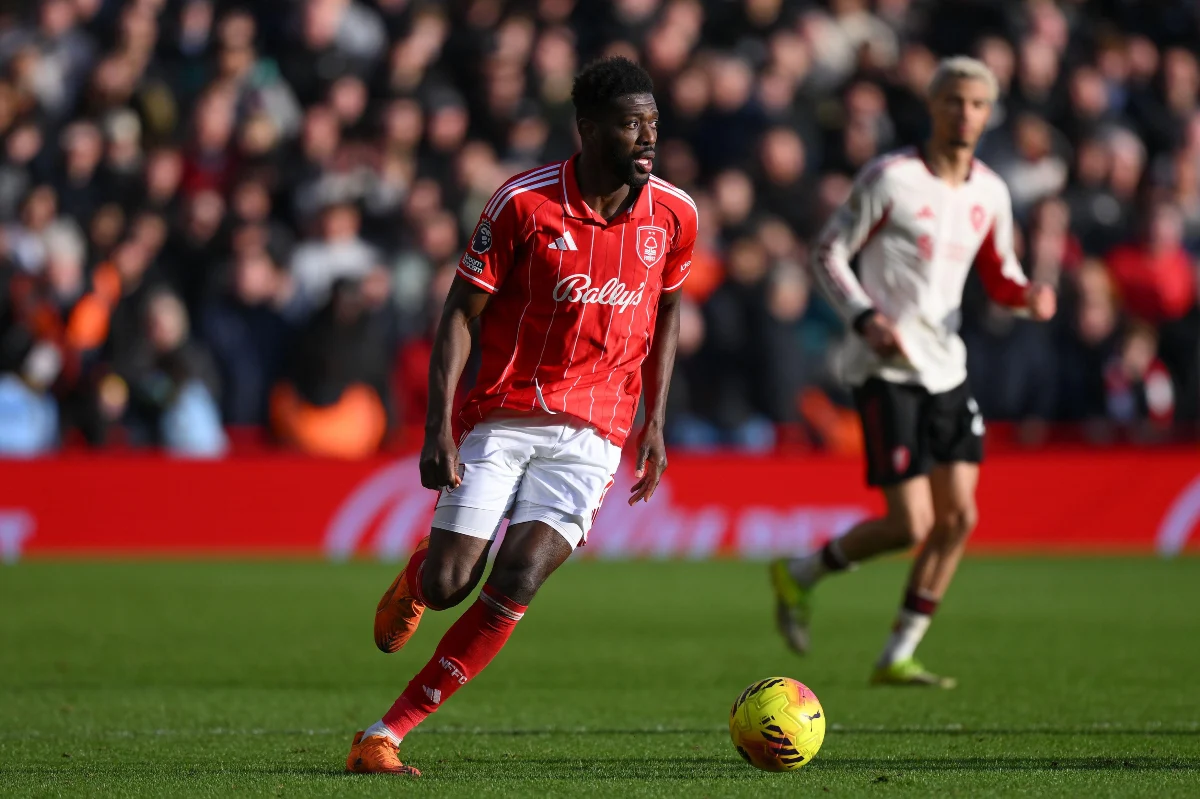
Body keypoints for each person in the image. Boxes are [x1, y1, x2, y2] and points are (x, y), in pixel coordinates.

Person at [345, 56, 696, 775]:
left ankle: (386, 733)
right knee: (450, 584)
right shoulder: (521, 203)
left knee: (521, 574)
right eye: (632, 124)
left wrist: (654, 422)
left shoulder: (675, 214)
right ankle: (418, 578)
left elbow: (668, 313)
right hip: (505, 414)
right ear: (589, 127)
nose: (647, 138)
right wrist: (438, 425)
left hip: (596, 433)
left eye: (654, 124)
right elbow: (460, 312)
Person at [770, 57, 1058, 688]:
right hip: (885, 367)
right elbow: (827, 251)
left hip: (947, 369)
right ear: (934, 107)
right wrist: (865, 316)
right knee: (912, 525)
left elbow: (999, 273)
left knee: (961, 519)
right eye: (953, 101)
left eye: (977, 104)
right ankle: (801, 573)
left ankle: (898, 652)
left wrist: (1027, 295)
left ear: (990, 113)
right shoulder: (891, 178)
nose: (965, 113)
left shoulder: (990, 192)